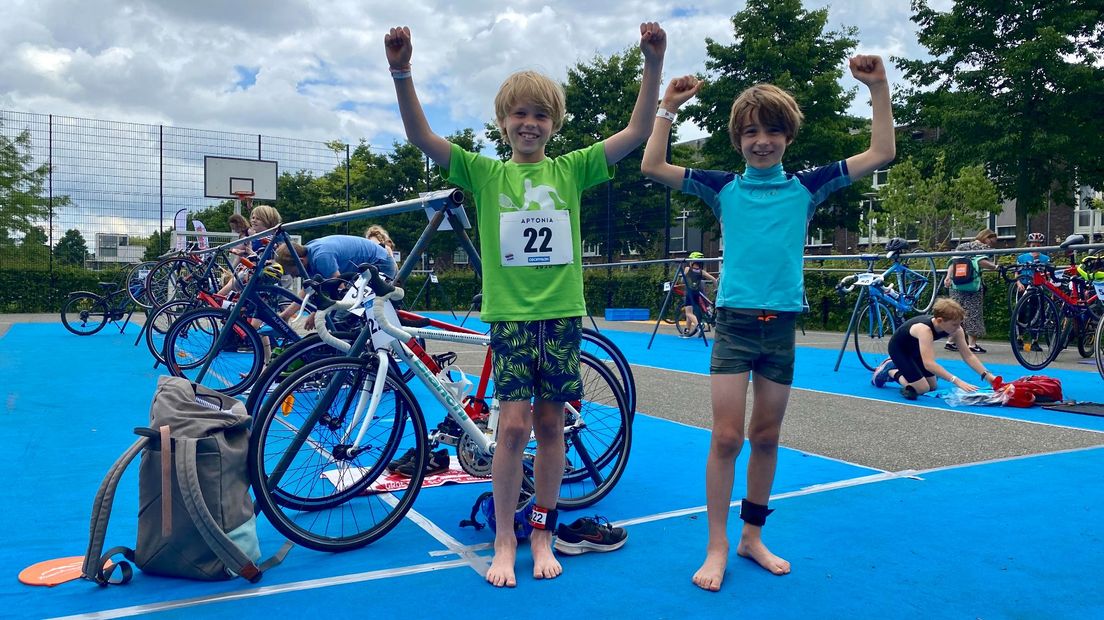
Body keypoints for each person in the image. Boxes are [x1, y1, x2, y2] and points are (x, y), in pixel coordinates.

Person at [385, 22, 665, 587]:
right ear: (503, 123)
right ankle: (506, 537)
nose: (529, 123)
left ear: (553, 124)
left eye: (540, 115)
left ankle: (544, 528)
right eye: (519, 115)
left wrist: (652, 63)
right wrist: (401, 71)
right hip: (512, 318)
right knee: (511, 428)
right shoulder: (484, 172)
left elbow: (637, 130)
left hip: (559, 316)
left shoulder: (571, 168)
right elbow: (422, 137)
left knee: (551, 425)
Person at [640, 55, 895, 591]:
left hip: (779, 328)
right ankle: (716, 545)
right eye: (751, 131)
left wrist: (877, 87)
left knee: (766, 435)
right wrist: (666, 108)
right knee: (728, 436)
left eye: (773, 131)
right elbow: (654, 168)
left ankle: (752, 536)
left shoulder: (806, 187)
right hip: (733, 327)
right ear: (738, 139)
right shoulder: (722, 187)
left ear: (787, 137)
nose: (762, 141)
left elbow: (882, 152)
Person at [872, 298, 999, 399]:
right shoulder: (924, 329)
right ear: (939, 320)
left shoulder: (956, 329)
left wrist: (988, 376)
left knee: (932, 386)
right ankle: (890, 370)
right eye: (954, 324)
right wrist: (957, 381)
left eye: (960, 323)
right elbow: (929, 364)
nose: (958, 327)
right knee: (922, 388)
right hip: (900, 350)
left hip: (917, 350)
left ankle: (903, 371)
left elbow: (968, 356)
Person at [275, 234, 398, 328]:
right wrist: (286, 315)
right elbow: (307, 290)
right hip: (367, 266)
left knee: (340, 318)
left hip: (380, 264)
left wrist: (318, 313)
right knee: (338, 316)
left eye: (289, 270)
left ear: (301, 261)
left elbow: (339, 289)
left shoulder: (321, 257)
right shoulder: (309, 253)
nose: (291, 275)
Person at [944, 228, 998, 353]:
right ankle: (972, 345)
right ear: (986, 238)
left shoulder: (962, 246)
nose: (991, 245)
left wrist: (948, 277)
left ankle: (951, 341)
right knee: (973, 313)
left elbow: (953, 262)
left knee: (955, 312)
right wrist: (995, 267)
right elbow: (981, 262)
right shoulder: (982, 248)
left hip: (956, 284)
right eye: (992, 242)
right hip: (972, 284)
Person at [681, 251, 717, 337]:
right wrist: (716, 288)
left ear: (692, 261)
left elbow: (682, 280)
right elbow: (714, 279)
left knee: (688, 313)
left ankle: (699, 325)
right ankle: (687, 331)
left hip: (689, 293)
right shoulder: (701, 272)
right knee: (691, 312)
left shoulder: (687, 269)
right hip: (696, 294)